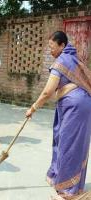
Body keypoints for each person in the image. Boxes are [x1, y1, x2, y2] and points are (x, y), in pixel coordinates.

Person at [26, 31, 91, 200]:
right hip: (81, 106)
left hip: (75, 109)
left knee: (68, 145)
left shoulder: (62, 61)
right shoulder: (73, 59)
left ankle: (68, 191)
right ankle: (71, 186)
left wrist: (33, 108)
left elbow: (48, 91)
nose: (50, 51)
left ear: (62, 45)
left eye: (52, 47)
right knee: (72, 144)